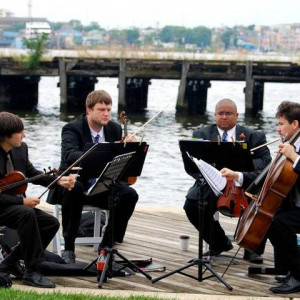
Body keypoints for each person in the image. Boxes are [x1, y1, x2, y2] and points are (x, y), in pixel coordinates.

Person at [47, 90, 139, 264]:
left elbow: (119, 162)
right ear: (89, 110)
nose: (106, 114)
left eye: (108, 109)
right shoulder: (72, 128)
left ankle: (107, 245)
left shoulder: (114, 128)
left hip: (101, 183)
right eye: (101, 109)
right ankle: (69, 248)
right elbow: (70, 156)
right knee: (75, 188)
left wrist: (129, 148)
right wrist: (100, 152)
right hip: (74, 181)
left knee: (129, 195)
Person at [183, 98, 271, 262]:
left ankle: (252, 248)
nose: (224, 117)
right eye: (220, 113)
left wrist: (240, 164)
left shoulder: (255, 136)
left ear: (237, 115)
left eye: (228, 113)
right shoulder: (200, 134)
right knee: (192, 205)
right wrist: (210, 177)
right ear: (215, 115)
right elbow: (192, 165)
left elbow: (266, 163)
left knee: (262, 204)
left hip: (244, 183)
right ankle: (219, 243)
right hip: (212, 183)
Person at [0, 112, 76, 288]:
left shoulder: (21, 149)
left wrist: (58, 181)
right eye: (20, 132)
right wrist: (21, 202)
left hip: (12, 206)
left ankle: (10, 261)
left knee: (51, 223)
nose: (24, 135)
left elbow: (32, 174)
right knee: (27, 213)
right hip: (6, 205)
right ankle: (31, 271)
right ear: (5, 135)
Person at [260, 101, 300, 294]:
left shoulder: (294, 149)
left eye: (281, 124)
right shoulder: (292, 144)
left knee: (280, 223)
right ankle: (292, 270)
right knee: (271, 220)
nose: (278, 129)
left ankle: (298, 275)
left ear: (295, 125)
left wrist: (294, 157)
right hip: (296, 205)